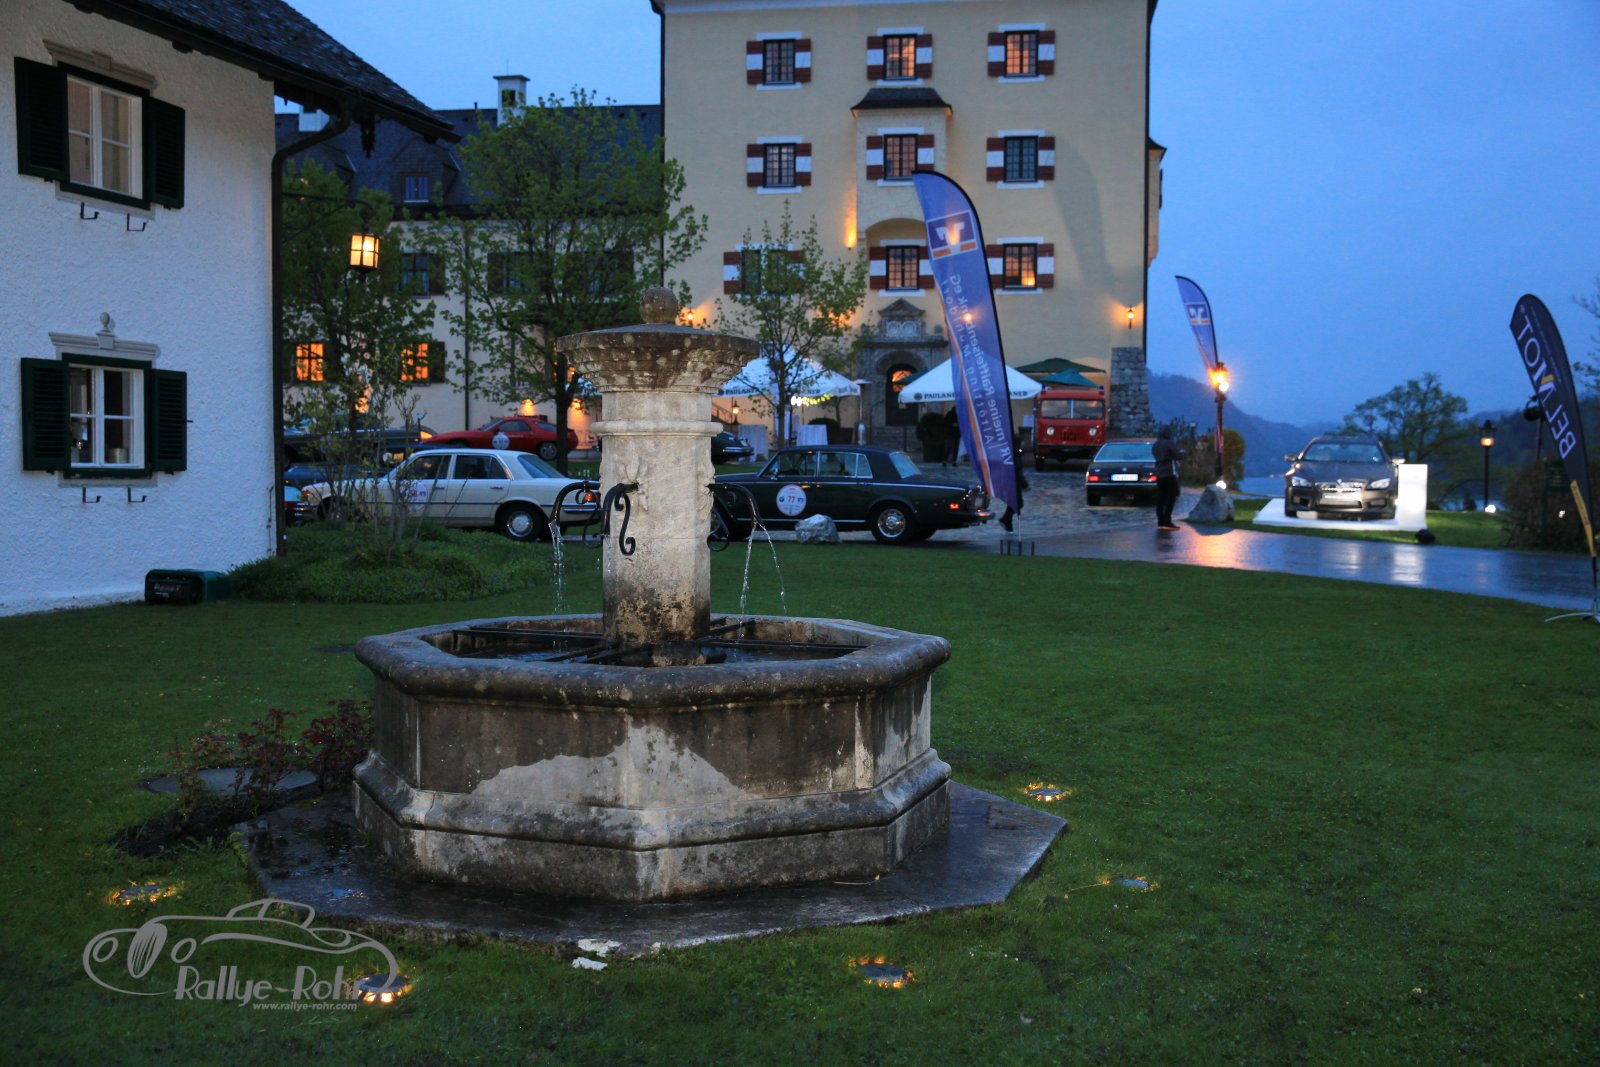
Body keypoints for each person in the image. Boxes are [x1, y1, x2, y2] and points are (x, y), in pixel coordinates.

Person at [1152, 425, 1184, 530]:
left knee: (1160, 499)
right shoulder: (1169, 443)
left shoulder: (1156, 444)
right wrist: (1183, 453)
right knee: (1171, 498)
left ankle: (1160, 521)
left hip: (1159, 473)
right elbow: (1178, 456)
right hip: (1169, 473)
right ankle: (1167, 521)